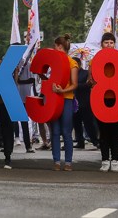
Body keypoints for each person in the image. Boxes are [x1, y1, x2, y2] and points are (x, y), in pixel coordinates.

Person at [92, 32, 118, 172]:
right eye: (106, 42)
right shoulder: (95, 60)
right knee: (104, 131)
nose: (109, 45)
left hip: (117, 99)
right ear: (102, 44)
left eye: (111, 42)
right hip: (101, 99)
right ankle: (105, 159)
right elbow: (91, 78)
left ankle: (115, 160)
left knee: (115, 132)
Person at [49, 34, 78, 171]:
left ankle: (68, 162)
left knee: (66, 131)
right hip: (55, 99)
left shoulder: (72, 63)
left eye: (55, 46)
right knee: (55, 131)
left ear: (60, 46)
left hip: (66, 99)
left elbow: (74, 84)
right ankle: (56, 160)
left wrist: (63, 91)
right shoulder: (54, 62)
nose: (54, 49)